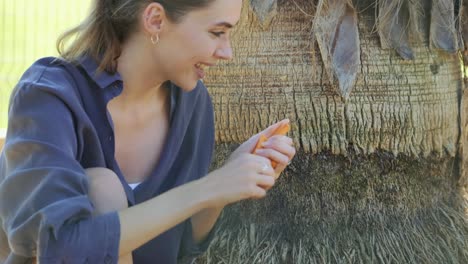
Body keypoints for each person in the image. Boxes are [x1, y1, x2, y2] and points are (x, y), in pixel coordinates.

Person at [0, 0, 296, 263]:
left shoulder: (193, 104)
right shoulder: (49, 97)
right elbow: (62, 246)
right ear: (155, 19)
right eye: (217, 32)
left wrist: (226, 185)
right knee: (102, 187)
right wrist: (209, 187)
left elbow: (183, 245)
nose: (227, 52)